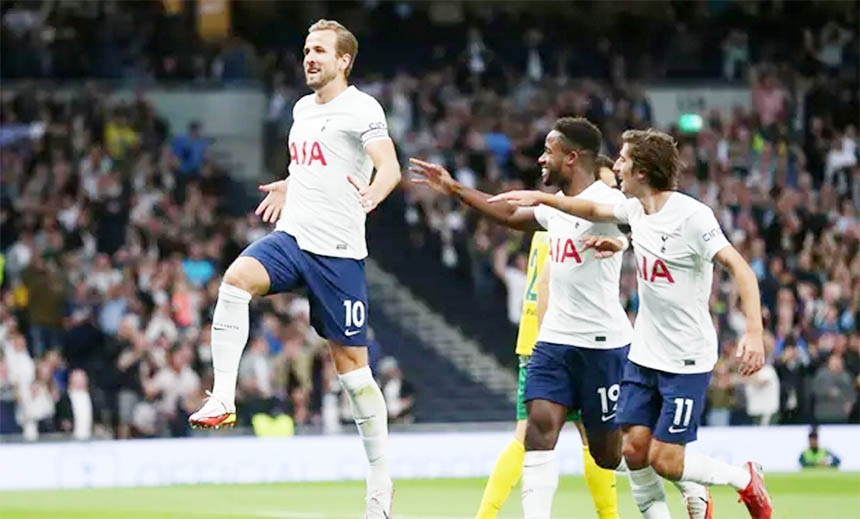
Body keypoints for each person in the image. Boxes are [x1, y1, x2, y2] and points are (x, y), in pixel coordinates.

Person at [410, 118, 709, 519]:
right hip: (553, 341)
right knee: (538, 429)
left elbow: (647, 226)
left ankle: (685, 476)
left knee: (610, 455)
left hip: (603, 347)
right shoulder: (554, 207)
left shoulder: (610, 199)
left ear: (571, 157)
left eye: (548, 151)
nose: (540, 158)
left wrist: (622, 241)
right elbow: (508, 214)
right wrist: (453, 188)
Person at [489, 128, 773, 518]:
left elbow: (740, 268)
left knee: (667, 461)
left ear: (643, 169)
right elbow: (590, 211)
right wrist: (542, 199)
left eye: (623, 159)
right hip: (643, 354)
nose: (616, 165)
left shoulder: (693, 216)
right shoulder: (635, 210)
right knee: (633, 453)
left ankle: (744, 479)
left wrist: (755, 334)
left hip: (686, 358)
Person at [188, 19, 401, 517]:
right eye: (306, 49)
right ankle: (222, 397)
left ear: (344, 61)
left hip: (338, 255)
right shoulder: (302, 109)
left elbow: (387, 163)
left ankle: (379, 485)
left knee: (353, 376)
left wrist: (376, 190)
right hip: (295, 238)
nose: (310, 58)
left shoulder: (363, 108)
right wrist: (291, 183)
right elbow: (313, 163)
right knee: (235, 281)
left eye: (321, 51)